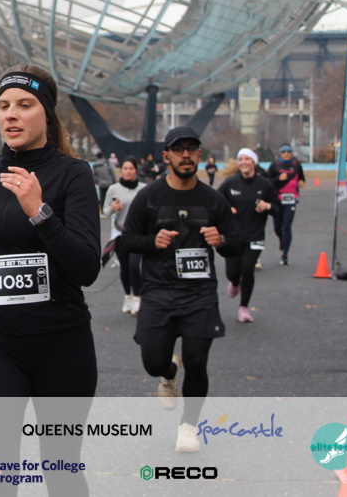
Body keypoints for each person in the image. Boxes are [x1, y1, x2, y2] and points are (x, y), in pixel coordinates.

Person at [0, 63, 100, 497]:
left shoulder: (74, 174)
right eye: (4, 105)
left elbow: (87, 267)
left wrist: (39, 210)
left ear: (46, 114)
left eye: (25, 105)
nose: (11, 114)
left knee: (61, 471)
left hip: (61, 343)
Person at [118, 126, 241, 453]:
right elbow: (126, 240)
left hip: (199, 294)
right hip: (158, 291)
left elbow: (237, 243)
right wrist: (152, 241)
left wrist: (221, 240)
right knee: (153, 363)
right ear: (166, 156)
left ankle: (189, 427)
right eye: (178, 149)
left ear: (199, 154)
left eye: (191, 148)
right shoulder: (149, 197)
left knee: (197, 362)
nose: (185, 155)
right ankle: (169, 372)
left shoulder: (212, 199)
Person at [217, 148, 280, 323]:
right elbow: (216, 201)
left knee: (247, 269)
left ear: (254, 162)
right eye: (240, 159)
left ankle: (243, 308)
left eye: (247, 159)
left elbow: (277, 209)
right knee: (232, 273)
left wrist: (267, 206)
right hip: (233, 235)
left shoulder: (265, 185)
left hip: (255, 235)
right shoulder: (230, 182)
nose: (243, 162)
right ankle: (235, 283)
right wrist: (227, 208)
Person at [103, 156, 147, 314]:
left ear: (136, 170)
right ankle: (127, 295)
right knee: (125, 267)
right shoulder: (113, 189)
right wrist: (113, 208)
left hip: (137, 233)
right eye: (125, 169)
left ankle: (137, 297)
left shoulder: (143, 189)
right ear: (121, 170)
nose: (128, 172)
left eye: (131, 169)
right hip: (120, 232)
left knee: (134, 266)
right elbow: (105, 210)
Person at [266, 144, 305, 265]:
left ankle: (285, 254)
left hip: (291, 200)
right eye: (284, 152)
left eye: (288, 151)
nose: (286, 154)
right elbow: (267, 182)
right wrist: (278, 179)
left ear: (291, 153)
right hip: (277, 200)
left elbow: (302, 178)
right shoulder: (274, 165)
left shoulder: (297, 165)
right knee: (277, 228)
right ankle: (281, 239)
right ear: (280, 153)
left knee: (286, 227)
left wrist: (301, 182)